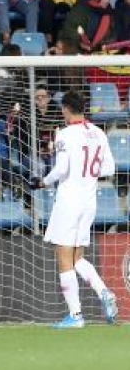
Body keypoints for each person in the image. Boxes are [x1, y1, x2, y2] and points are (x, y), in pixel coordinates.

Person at [29, 90, 118, 328]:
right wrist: (87, 173)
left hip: (69, 200)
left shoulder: (65, 134)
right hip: (89, 201)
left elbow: (60, 170)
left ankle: (76, 316)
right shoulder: (99, 133)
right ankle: (104, 293)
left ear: (66, 109)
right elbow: (109, 168)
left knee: (63, 257)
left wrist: (41, 182)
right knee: (78, 257)